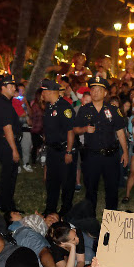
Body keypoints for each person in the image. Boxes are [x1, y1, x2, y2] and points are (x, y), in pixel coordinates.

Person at [74, 77, 129, 215]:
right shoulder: (84, 109)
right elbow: (75, 129)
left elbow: (120, 132)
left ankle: (112, 216)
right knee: (91, 188)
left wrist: (125, 152)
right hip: (91, 155)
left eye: (99, 90)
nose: (95, 92)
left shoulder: (113, 110)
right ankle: (90, 216)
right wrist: (85, 129)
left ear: (105, 93)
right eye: (93, 89)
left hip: (110, 155)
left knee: (112, 188)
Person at [41, 79, 76, 217]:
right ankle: (51, 208)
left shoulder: (65, 108)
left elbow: (70, 131)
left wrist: (68, 151)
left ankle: (66, 209)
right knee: (51, 181)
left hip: (63, 150)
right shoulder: (50, 107)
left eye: (43, 91)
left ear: (49, 92)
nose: (42, 94)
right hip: (52, 150)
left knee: (67, 182)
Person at [0, 75, 22, 212]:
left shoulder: (4, 103)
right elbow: (7, 128)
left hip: (5, 142)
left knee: (9, 175)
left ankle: (6, 203)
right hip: (7, 143)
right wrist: (14, 149)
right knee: (9, 176)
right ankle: (6, 205)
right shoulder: (3, 104)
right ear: (3, 88)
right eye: (11, 86)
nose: (14, 88)